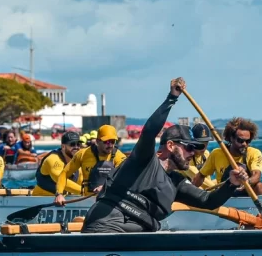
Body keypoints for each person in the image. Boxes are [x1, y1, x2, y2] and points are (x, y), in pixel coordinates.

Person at [79, 78, 247, 233]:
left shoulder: (177, 182)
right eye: (188, 147)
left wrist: (231, 184)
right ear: (171, 145)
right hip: (108, 224)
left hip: (140, 236)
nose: (193, 153)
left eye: (196, 148)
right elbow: (149, 132)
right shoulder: (144, 160)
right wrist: (172, 98)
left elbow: (207, 201)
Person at [54, 124, 126, 204]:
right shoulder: (82, 154)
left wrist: (106, 187)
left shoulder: (119, 157)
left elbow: (125, 180)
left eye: (113, 142)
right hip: (88, 202)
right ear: (97, 141)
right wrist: (59, 194)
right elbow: (64, 174)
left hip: (110, 202)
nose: (110, 145)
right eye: (106, 142)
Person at [192, 117, 262, 195]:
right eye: (240, 140)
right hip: (224, 194)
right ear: (230, 138)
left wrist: (247, 182)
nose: (244, 144)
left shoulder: (254, 153)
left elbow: (257, 175)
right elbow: (200, 176)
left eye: (248, 141)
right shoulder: (216, 154)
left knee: (261, 187)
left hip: (246, 192)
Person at [33, 131, 83, 196]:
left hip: (64, 201)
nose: (76, 147)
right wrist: (84, 191)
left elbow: (82, 183)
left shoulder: (78, 164)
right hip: (40, 199)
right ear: (63, 146)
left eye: (78, 144)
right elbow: (60, 180)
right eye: (72, 144)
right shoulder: (53, 159)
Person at [180, 123, 214, 188]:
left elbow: (207, 178)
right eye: (200, 143)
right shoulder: (187, 158)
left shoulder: (206, 154)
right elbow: (198, 179)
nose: (204, 147)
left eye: (206, 142)